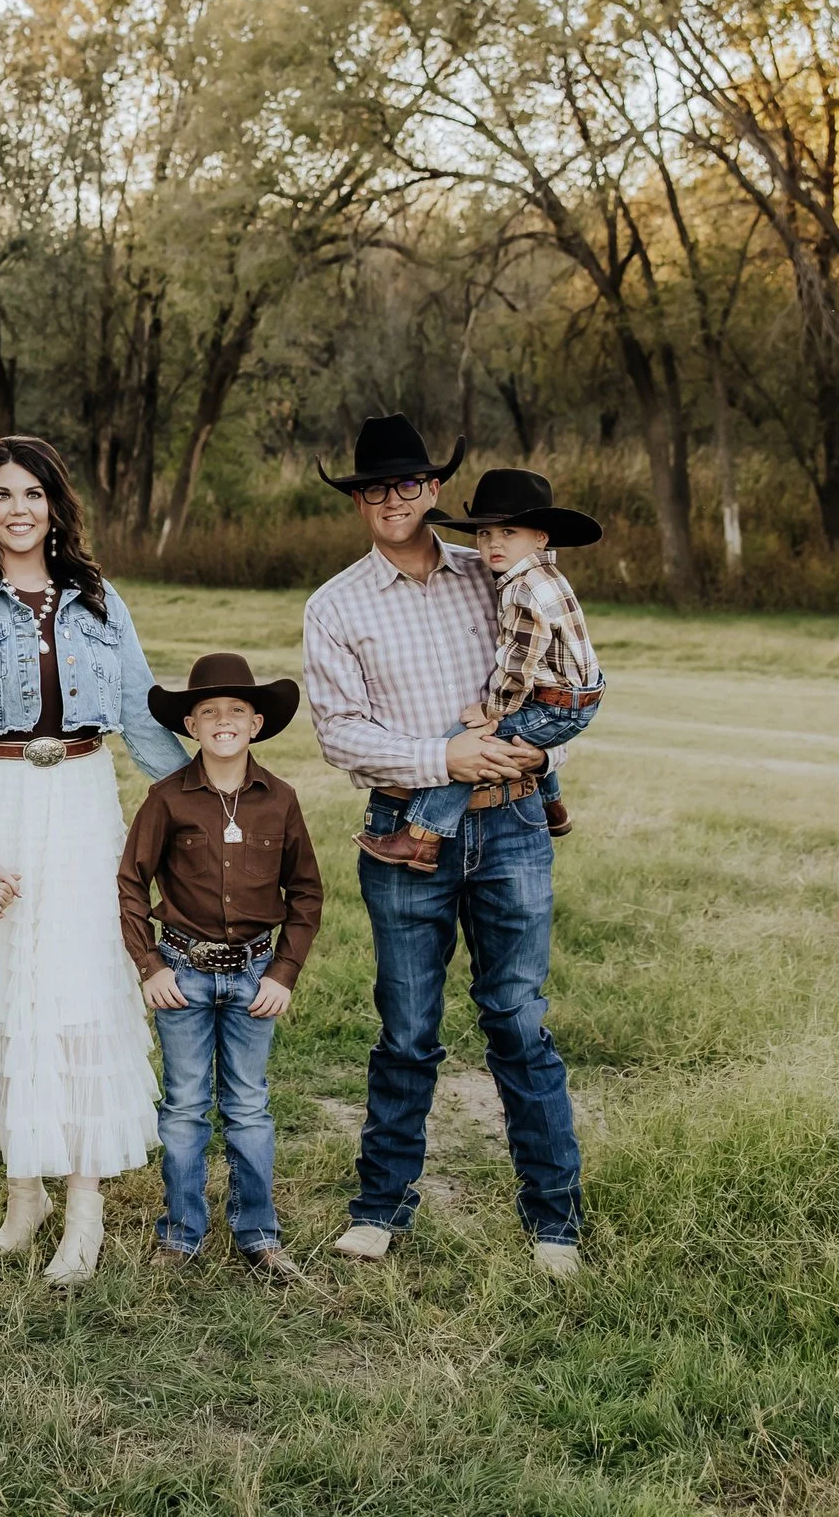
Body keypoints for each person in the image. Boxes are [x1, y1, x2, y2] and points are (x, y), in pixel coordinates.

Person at [301, 414, 584, 1278]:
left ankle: (554, 1219)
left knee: (517, 1019)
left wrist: (540, 750)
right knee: (409, 1029)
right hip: (403, 832)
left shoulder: (497, 572)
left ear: (433, 490)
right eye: (374, 488)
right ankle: (381, 1208)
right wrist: (443, 756)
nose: (393, 499)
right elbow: (341, 733)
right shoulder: (336, 605)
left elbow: (562, 678)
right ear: (358, 501)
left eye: (409, 484)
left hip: (510, 823)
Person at [0, 435, 188, 1285]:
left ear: (55, 504)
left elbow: (141, 716)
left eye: (33, 493)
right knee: (2, 996)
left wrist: (209, 802)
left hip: (81, 801)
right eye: (2, 495)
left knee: (77, 996)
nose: (18, 509)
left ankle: (84, 1203)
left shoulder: (99, 600)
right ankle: (22, 1190)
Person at [118, 653, 323, 1284]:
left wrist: (282, 973)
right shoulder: (166, 799)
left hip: (253, 976)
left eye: (236, 711)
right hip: (182, 973)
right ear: (191, 725)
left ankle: (258, 1234)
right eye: (209, 712)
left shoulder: (280, 801)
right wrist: (150, 965)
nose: (223, 721)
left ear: (257, 723)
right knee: (183, 1107)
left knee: (249, 1105)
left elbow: (307, 894)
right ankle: (180, 1234)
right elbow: (130, 883)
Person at [357, 467, 606, 870]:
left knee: (471, 741)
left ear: (540, 538)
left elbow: (517, 664)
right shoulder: (545, 575)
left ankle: (422, 837)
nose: (492, 544)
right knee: (519, 736)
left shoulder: (522, 590)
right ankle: (553, 807)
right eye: (485, 534)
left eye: (509, 533)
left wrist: (491, 711)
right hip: (574, 695)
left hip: (557, 702)